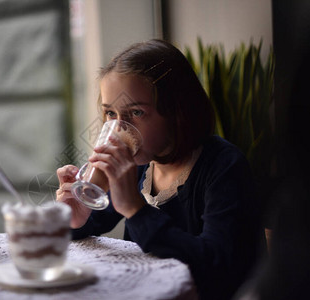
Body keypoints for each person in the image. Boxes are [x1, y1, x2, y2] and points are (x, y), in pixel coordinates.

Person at [56, 39, 265, 300]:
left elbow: (216, 263)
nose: (119, 128)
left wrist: (135, 208)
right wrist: (76, 217)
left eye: (137, 113)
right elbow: (92, 222)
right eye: (110, 113)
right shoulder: (139, 166)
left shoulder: (223, 167)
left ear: (178, 111)